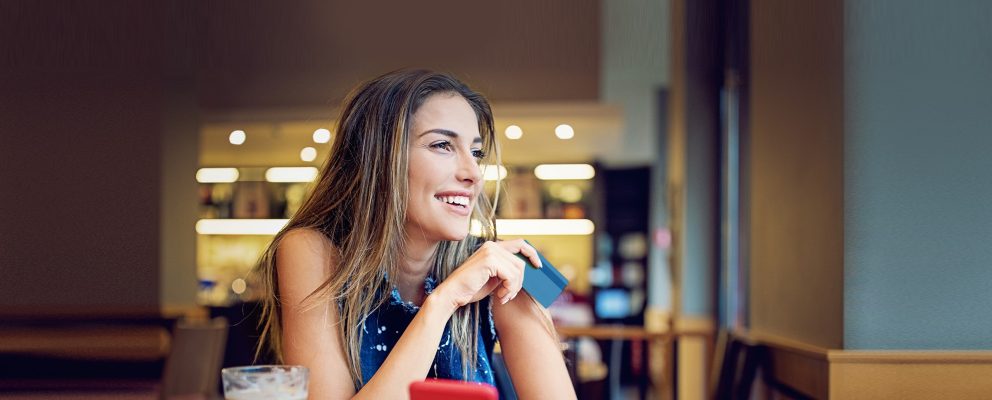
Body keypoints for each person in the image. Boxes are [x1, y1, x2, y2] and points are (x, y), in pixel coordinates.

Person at [254, 70, 576, 399]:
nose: (472, 174)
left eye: (476, 153)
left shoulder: (513, 266)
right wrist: (442, 302)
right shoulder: (308, 250)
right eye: (442, 145)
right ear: (379, 159)